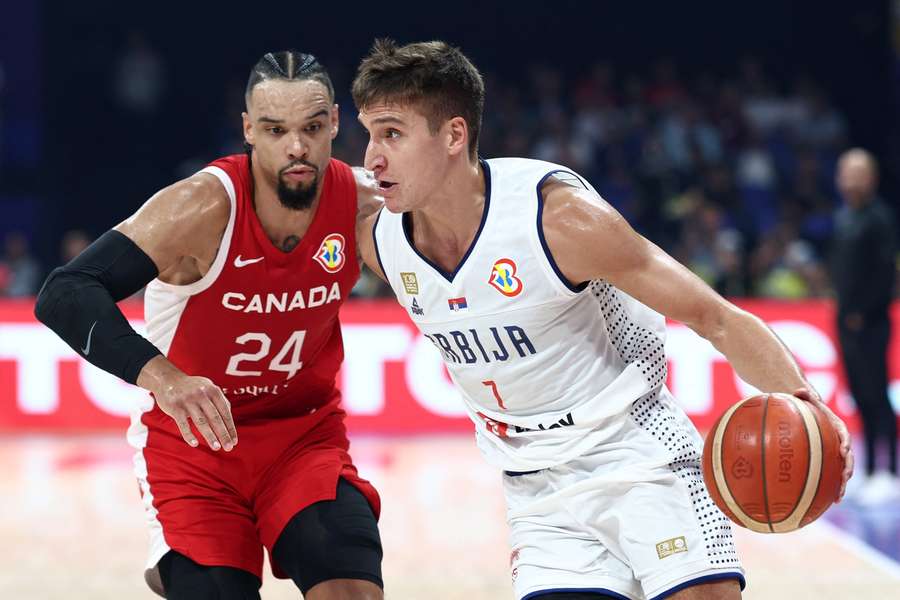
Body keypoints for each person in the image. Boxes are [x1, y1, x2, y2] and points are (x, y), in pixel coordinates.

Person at [351, 39, 854, 600]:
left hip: (640, 456)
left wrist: (810, 405)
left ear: (453, 136)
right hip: (536, 491)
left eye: (392, 134)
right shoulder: (377, 237)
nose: (373, 155)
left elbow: (714, 316)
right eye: (369, 134)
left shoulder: (559, 219)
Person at [35, 51, 383, 600]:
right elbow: (65, 292)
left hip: (303, 436)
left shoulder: (364, 202)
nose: (297, 147)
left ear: (336, 123)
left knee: (350, 589)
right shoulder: (202, 206)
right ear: (248, 129)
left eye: (312, 128)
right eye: (275, 130)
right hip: (194, 449)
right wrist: (165, 378)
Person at [831, 148, 898, 505]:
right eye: (845, 172)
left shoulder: (879, 219)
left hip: (870, 321)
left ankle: (888, 471)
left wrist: (862, 310)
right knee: (859, 393)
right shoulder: (845, 217)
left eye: (857, 172)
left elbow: (885, 273)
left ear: (870, 178)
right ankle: (868, 470)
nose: (849, 179)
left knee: (876, 393)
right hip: (845, 320)